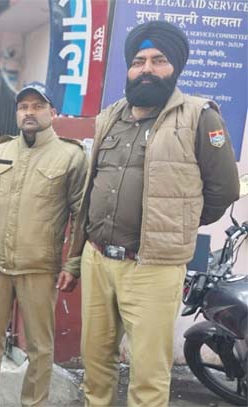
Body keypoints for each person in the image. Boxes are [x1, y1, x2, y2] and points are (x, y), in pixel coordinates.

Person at [68, 21, 240, 407]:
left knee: (148, 375)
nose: (146, 68)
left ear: (175, 66)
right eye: (139, 61)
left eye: (158, 60)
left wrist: (176, 224)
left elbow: (224, 189)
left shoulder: (199, 116)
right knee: (95, 365)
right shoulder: (110, 116)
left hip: (153, 268)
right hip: (98, 260)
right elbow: (94, 186)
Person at [0, 83, 87, 407]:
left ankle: (33, 402)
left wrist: (72, 264)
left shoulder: (71, 157)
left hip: (39, 268)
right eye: (23, 107)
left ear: (52, 112)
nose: (29, 112)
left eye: (37, 106)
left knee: (40, 346)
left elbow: (80, 216)